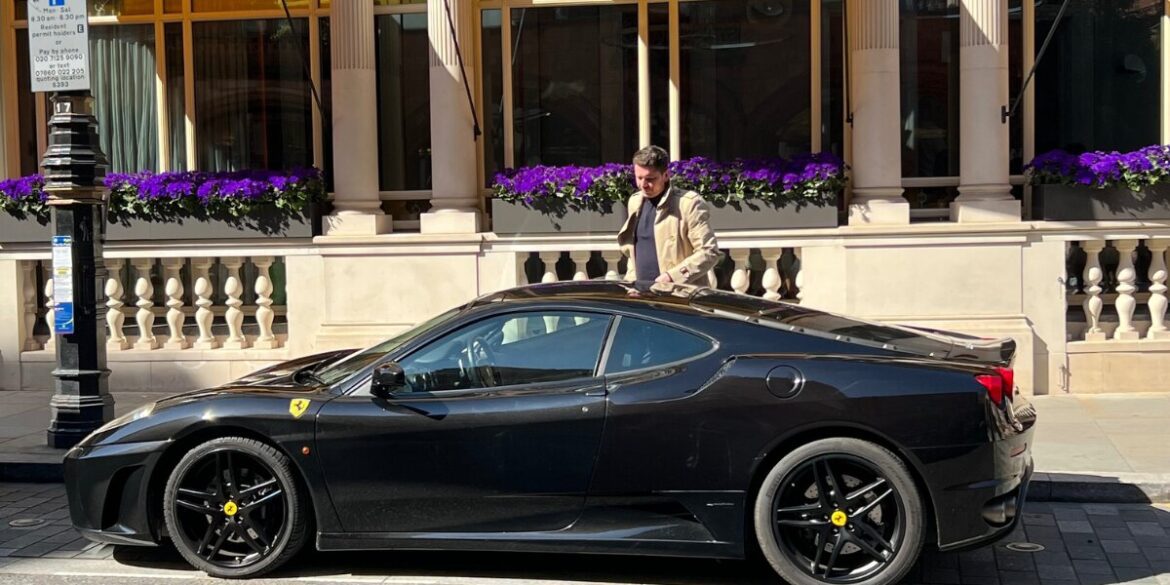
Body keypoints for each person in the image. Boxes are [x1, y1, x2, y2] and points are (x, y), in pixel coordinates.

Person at [618, 145, 721, 286]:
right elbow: (634, 251)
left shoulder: (689, 204)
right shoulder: (635, 202)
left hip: (679, 298)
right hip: (641, 297)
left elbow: (709, 252)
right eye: (639, 177)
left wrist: (672, 277)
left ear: (666, 175)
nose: (643, 185)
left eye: (650, 179)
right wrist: (631, 282)